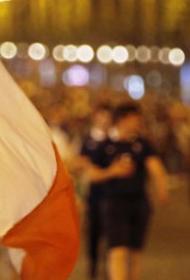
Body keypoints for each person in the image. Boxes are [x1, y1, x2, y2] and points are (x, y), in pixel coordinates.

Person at [88, 102, 168, 280]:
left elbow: (155, 166)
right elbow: (91, 174)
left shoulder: (142, 144)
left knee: (135, 253)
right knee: (118, 250)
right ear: (121, 120)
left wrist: (162, 187)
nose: (137, 123)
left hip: (139, 202)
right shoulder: (106, 145)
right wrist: (112, 172)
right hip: (114, 203)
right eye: (134, 119)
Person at [78, 104, 112, 279]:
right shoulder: (87, 140)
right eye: (101, 116)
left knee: (111, 235)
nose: (104, 120)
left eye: (107, 117)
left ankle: (109, 271)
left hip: (112, 193)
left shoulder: (114, 140)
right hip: (93, 194)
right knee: (93, 234)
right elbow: (82, 164)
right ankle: (92, 270)